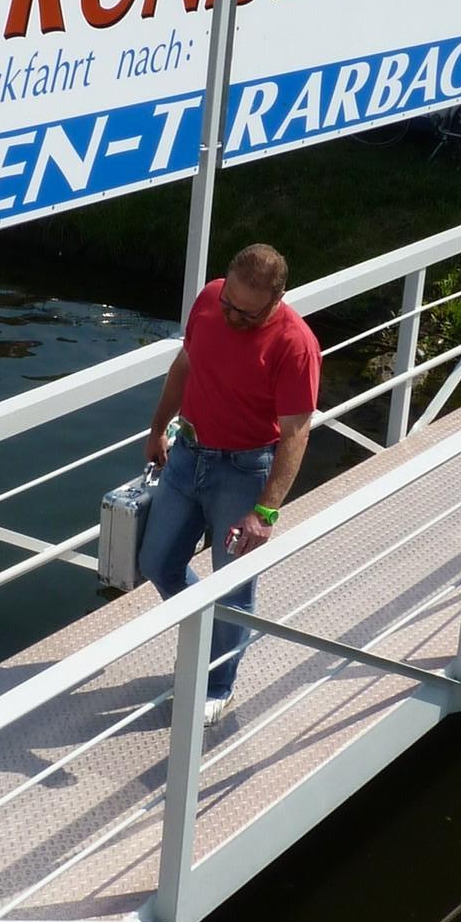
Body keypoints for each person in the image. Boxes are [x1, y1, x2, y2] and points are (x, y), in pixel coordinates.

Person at [138, 244, 320, 726]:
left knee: (233, 588)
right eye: (229, 304)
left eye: (247, 313)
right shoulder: (209, 299)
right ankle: (208, 631)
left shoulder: (295, 344)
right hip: (187, 454)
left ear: (277, 298)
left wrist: (266, 511)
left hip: (244, 471)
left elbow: (296, 432)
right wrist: (157, 429)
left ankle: (218, 684)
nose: (233, 316)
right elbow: (184, 365)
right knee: (156, 562)